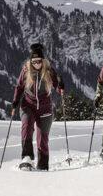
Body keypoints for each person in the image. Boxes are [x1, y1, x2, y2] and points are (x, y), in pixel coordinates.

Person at [11, 43, 64, 171]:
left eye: (39, 61)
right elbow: (19, 87)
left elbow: (57, 84)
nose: (36, 64)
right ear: (30, 61)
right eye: (33, 61)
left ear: (43, 61)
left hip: (45, 108)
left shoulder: (49, 70)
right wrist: (15, 102)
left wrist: (60, 87)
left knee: (42, 138)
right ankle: (27, 158)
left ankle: (42, 166)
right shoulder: (25, 70)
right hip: (28, 105)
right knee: (26, 128)